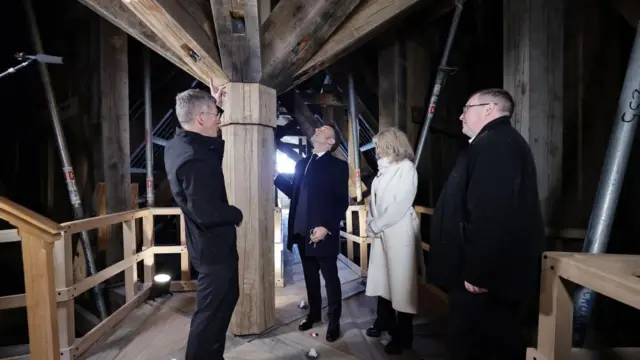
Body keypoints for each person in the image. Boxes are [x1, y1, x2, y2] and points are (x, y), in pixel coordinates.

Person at [427, 88, 546, 360]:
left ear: (489, 109)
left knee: (477, 346)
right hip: (481, 278)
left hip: (483, 281)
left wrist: (479, 271)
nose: (460, 116)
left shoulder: (496, 144)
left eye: (466, 108)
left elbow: (491, 211)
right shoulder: (493, 142)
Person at [164, 86, 242, 360]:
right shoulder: (193, 158)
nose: (219, 119)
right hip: (213, 249)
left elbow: (210, 155)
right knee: (210, 314)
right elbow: (207, 213)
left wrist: (215, 102)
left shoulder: (179, 145)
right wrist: (236, 213)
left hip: (207, 247)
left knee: (226, 300)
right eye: (215, 114)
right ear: (200, 118)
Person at [286, 125, 350, 342]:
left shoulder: (338, 166)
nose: (317, 129)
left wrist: (327, 227)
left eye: (323, 129)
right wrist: (275, 177)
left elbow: (342, 201)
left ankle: (334, 321)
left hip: (322, 231)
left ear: (331, 142)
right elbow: (297, 193)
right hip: (302, 231)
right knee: (310, 278)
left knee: (331, 279)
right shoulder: (301, 163)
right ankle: (313, 314)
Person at [364, 127, 421, 355]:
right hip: (382, 233)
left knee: (402, 285)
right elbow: (373, 202)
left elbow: (401, 203)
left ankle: (403, 336)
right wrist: (371, 222)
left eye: (379, 145)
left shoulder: (405, 168)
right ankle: (384, 322)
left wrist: (376, 225)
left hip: (397, 232)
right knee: (384, 281)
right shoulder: (383, 170)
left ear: (391, 145)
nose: (376, 150)